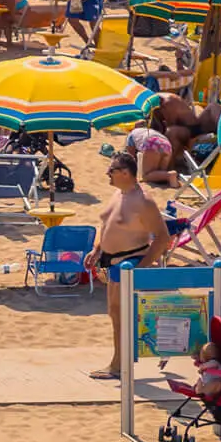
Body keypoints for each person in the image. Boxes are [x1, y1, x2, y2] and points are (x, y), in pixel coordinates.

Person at [87, 154, 171, 380]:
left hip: (130, 261)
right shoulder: (118, 194)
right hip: (111, 261)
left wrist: (141, 268)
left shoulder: (144, 201)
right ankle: (120, 362)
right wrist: (96, 250)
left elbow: (162, 238)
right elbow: (106, 224)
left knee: (125, 314)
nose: (107, 175)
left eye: (111, 171)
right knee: (115, 313)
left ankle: (118, 365)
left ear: (125, 172)